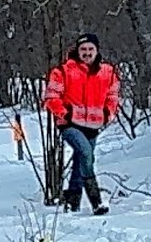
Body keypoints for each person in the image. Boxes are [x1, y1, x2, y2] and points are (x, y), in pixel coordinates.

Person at [43, 32, 120, 215]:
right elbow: (51, 97)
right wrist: (65, 113)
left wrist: (108, 114)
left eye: (90, 49)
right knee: (86, 154)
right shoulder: (63, 71)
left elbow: (113, 97)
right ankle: (96, 202)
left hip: (93, 125)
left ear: (97, 50)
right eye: (83, 49)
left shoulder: (108, 73)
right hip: (69, 124)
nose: (87, 53)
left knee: (80, 160)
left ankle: (72, 202)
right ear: (77, 51)